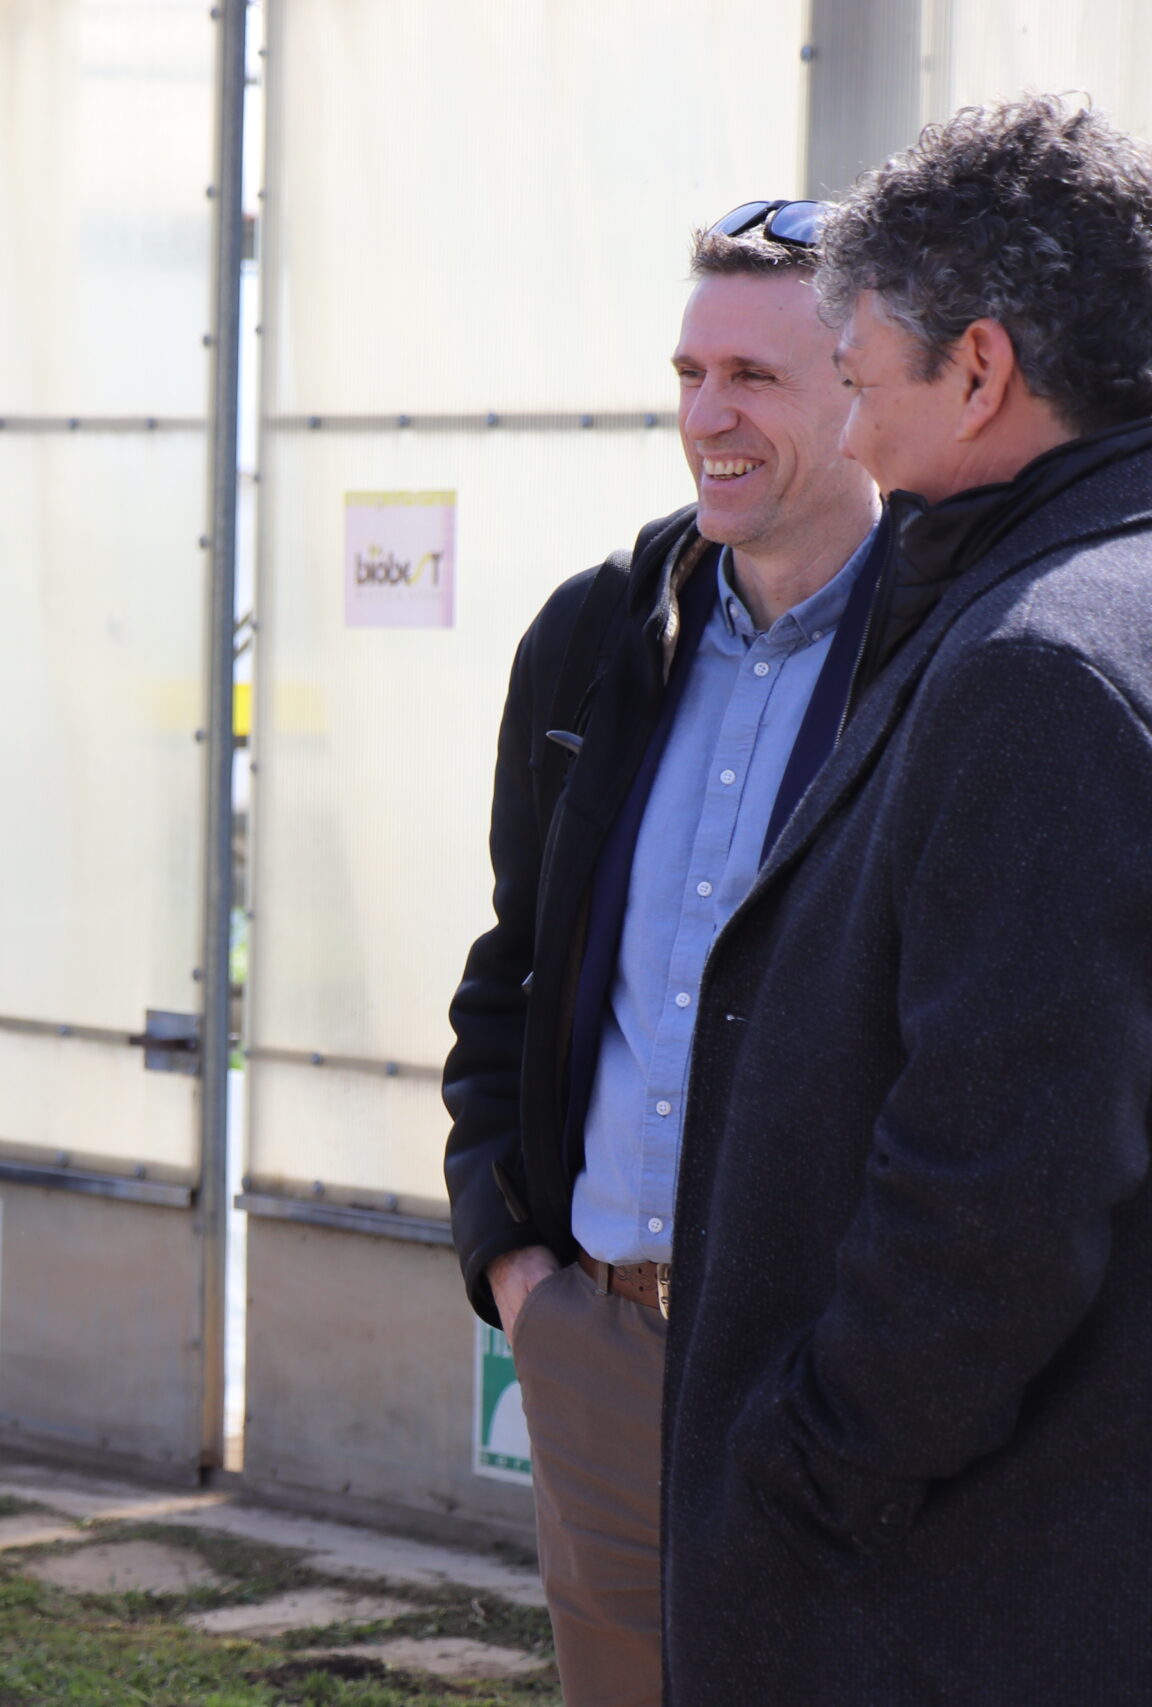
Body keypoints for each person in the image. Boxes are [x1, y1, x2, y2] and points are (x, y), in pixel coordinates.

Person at [662, 96, 1152, 1705]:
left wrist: (813, 1471)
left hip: (973, 1584)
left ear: (983, 370)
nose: (857, 435)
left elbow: (1000, 1179)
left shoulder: (1041, 669)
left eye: (860, 379)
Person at [441, 203, 881, 1704]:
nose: (707, 417)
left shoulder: (954, 649)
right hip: (603, 1347)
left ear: (864, 389)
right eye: (690, 374)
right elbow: (515, 963)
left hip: (831, 1372)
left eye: (754, 377)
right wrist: (517, 1267)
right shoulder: (597, 634)